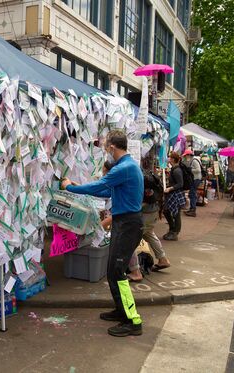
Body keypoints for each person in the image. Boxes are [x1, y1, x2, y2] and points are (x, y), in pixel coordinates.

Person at [61, 130, 144, 337]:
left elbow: (99, 186)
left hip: (128, 224)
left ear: (112, 148)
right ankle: (121, 310)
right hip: (124, 223)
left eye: (106, 146)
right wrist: (80, 187)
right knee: (112, 270)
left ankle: (133, 320)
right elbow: (107, 191)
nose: (105, 149)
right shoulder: (128, 166)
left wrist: (70, 188)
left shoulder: (123, 167)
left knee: (118, 272)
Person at [128, 171, 171, 281]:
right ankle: (163, 259)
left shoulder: (144, 184)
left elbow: (140, 204)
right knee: (149, 234)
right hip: (154, 213)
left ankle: (135, 271)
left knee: (129, 241)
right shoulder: (153, 182)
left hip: (145, 216)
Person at [163, 152, 185, 241]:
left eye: (170, 157)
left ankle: (175, 232)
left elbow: (180, 184)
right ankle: (172, 229)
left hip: (176, 195)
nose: (168, 158)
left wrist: (170, 188)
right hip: (172, 194)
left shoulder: (177, 170)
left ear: (173, 159)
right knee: (166, 211)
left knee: (176, 214)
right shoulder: (174, 169)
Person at [182, 149, 202, 217]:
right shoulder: (192, 160)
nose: (185, 157)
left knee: (192, 194)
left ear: (188, 155)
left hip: (196, 179)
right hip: (195, 179)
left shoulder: (194, 160)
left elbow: (198, 170)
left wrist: (190, 170)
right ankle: (191, 209)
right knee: (192, 193)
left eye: (185, 155)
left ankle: (193, 210)